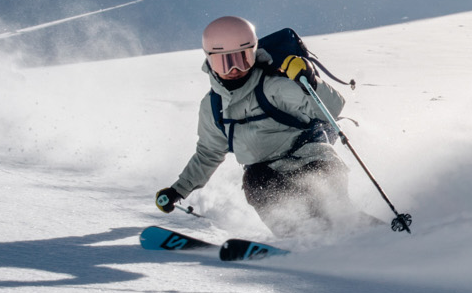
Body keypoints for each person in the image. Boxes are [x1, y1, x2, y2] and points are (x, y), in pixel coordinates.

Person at [154, 16, 361, 237]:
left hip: (313, 159)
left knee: (331, 214)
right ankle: (298, 241)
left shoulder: (274, 86)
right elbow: (208, 153)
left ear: (253, 54)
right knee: (255, 181)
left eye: (241, 59)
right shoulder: (213, 106)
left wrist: (310, 81)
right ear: (209, 61)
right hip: (267, 175)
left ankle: (370, 238)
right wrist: (178, 190)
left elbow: (332, 108)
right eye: (224, 62)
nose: (234, 69)